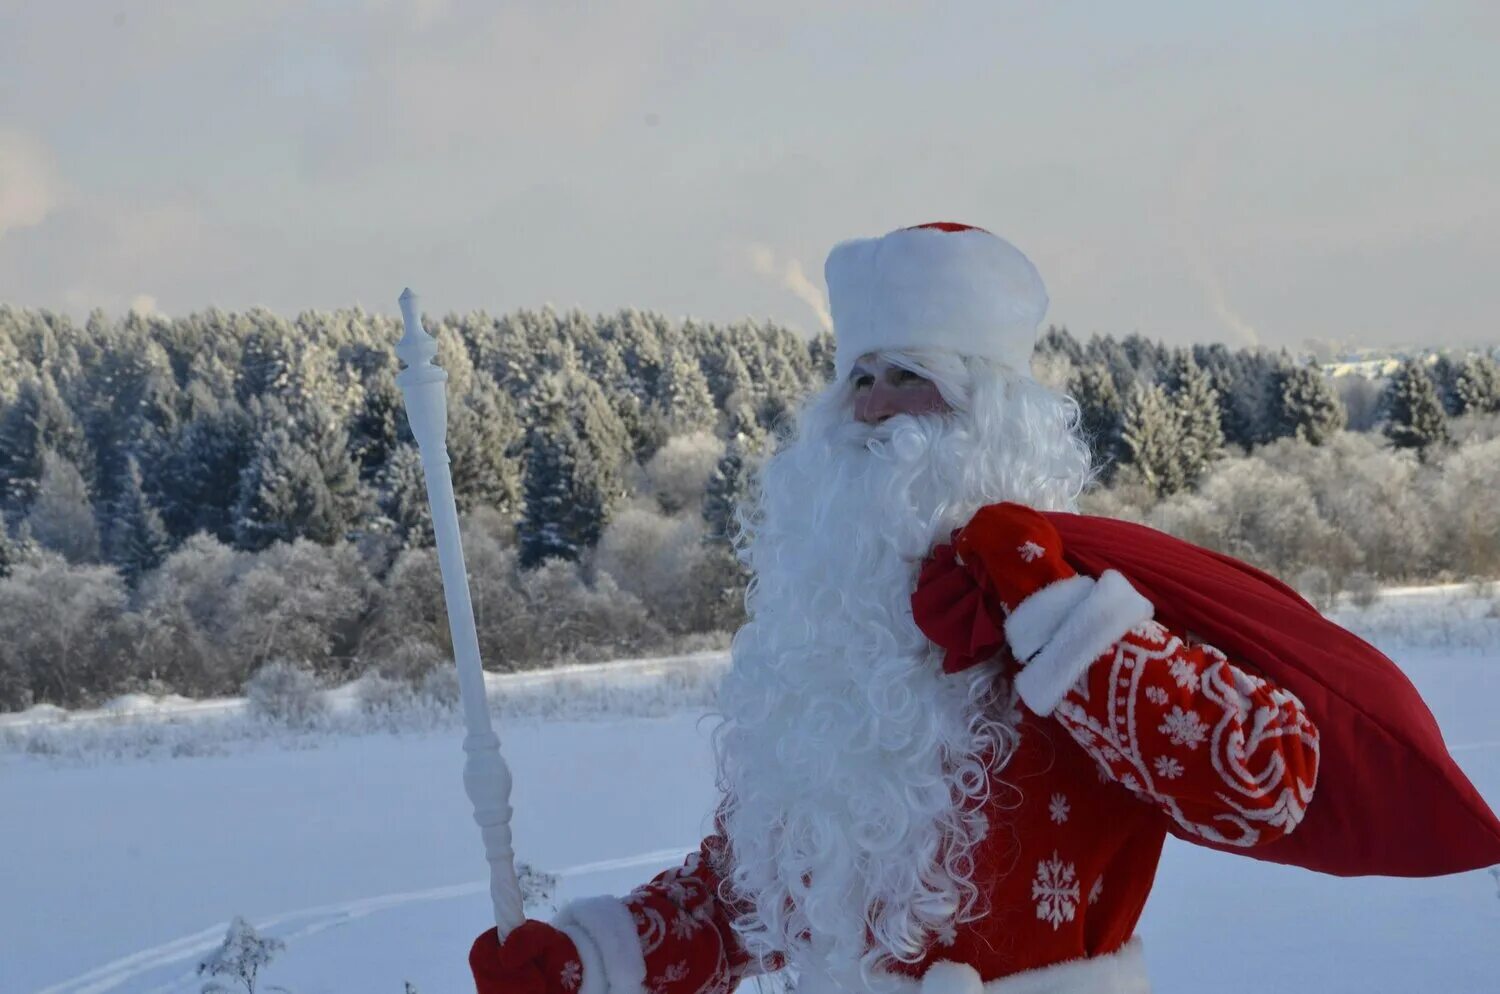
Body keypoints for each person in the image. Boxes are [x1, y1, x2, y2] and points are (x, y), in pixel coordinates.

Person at [469, 222, 1321, 994]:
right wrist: (593, 962)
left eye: (910, 377)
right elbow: (751, 894)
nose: (872, 406)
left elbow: (1266, 782)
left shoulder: (1093, 609)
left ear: (995, 415)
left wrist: (1055, 619)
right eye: (861, 378)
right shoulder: (839, 636)